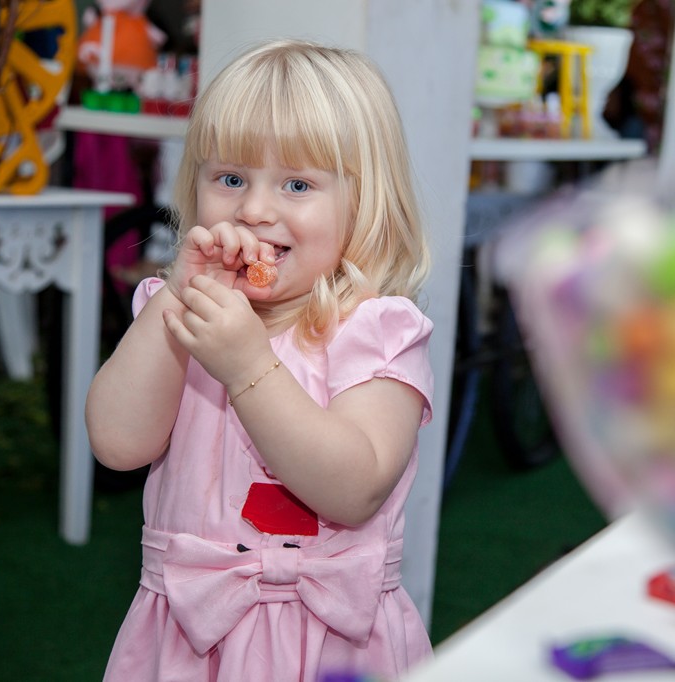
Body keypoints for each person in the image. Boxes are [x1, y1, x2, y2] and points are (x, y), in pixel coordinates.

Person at [85, 39, 435, 682]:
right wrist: (181, 304)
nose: (253, 209)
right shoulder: (178, 311)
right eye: (231, 178)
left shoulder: (376, 331)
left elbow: (354, 489)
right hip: (189, 640)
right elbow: (116, 443)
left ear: (364, 203)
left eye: (297, 184)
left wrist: (248, 366)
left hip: (334, 647)